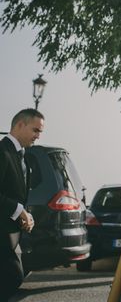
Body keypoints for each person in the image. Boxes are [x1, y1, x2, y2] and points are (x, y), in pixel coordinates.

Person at [0, 109, 43, 300]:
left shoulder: (22, 154)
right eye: (35, 130)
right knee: (13, 275)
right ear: (20, 125)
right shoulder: (2, 152)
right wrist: (18, 210)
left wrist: (25, 213)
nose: (38, 136)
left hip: (11, 231)